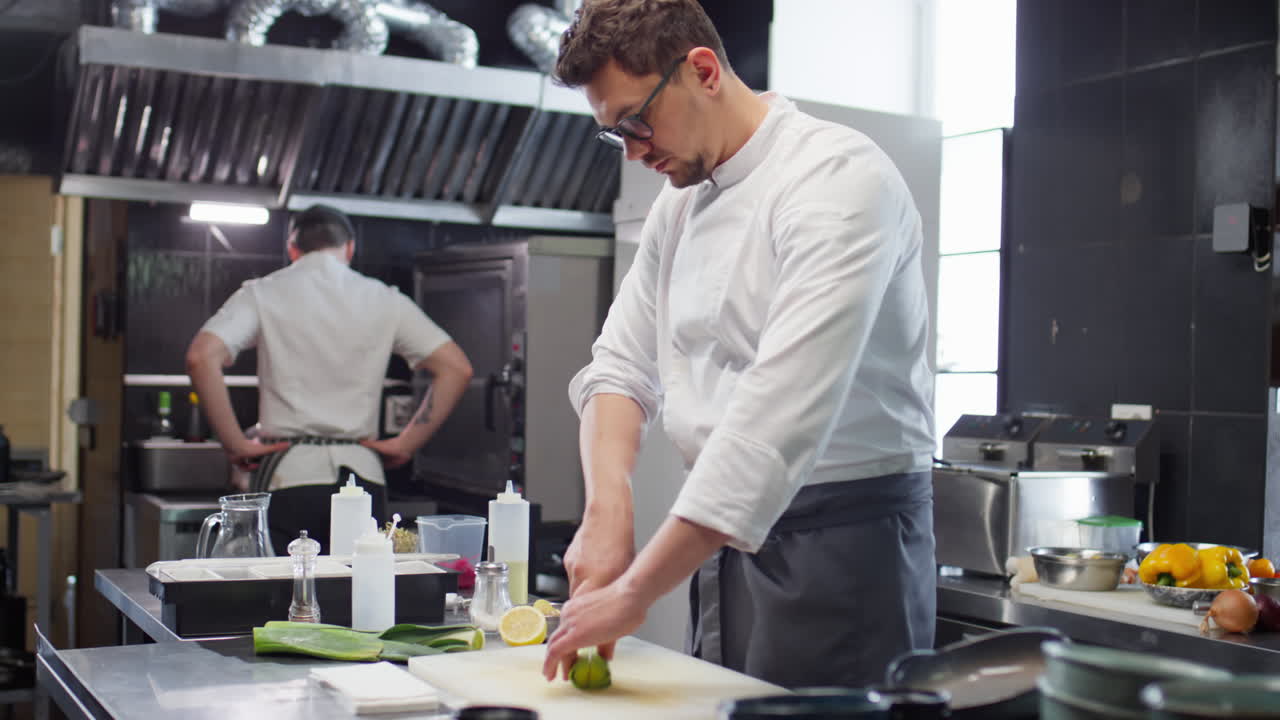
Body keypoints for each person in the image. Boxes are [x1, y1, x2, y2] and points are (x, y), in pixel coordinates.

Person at [542, 0, 936, 688]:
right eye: (614, 134)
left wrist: (636, 591)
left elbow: (770, 427)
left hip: (844, 542)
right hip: (721, 534)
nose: (633, 150)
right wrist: (609, 508)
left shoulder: (838, 181)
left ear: (703, 70)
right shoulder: (682, 201)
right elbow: (619, 366)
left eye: (636, 120)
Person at [186, 204, 473, 555]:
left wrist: (234, 443)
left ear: (292, 249)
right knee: (361, 597)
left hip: (290, 477)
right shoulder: (385, 299)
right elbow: (456, 368)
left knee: (290, 600)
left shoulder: (263, 292)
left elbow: (201, 357)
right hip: (364, 478)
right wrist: (406, 443)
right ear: (350, 248)